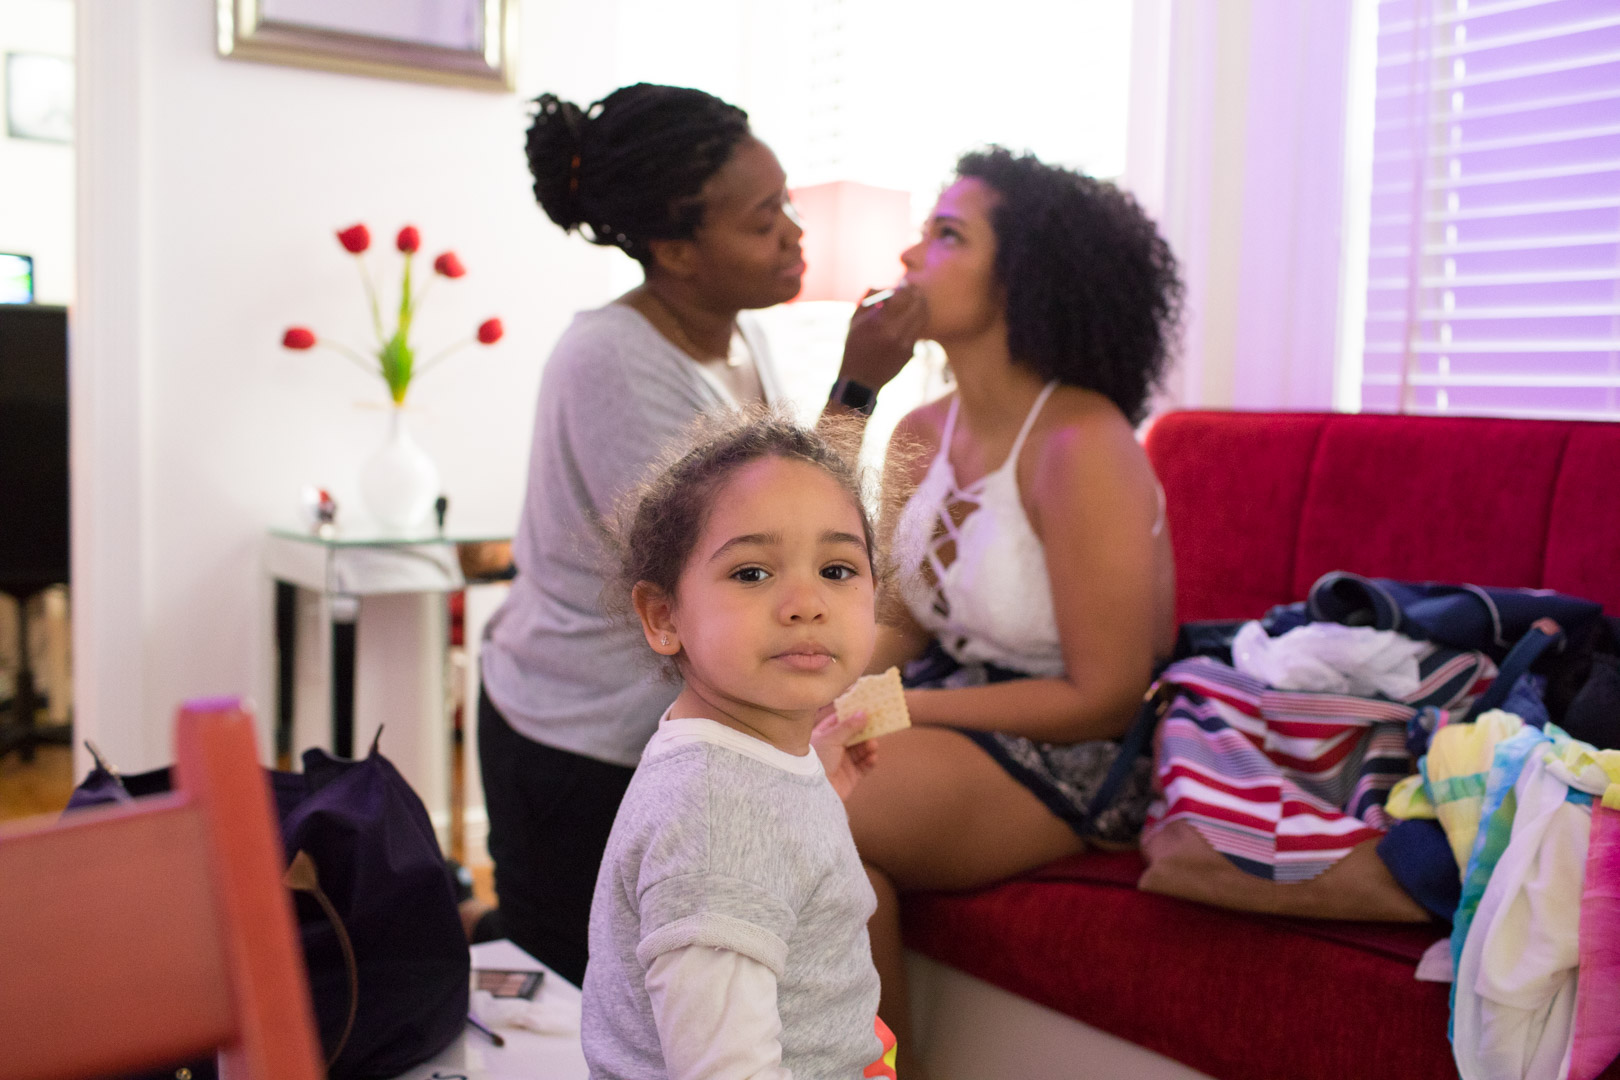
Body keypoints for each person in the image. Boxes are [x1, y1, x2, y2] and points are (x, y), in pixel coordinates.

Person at [476, 83, 924, 986]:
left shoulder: (735, 338)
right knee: (586, 995)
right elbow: (759, 536)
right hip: (577, 742)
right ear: (677, 251)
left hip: (664, 727)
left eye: (786, 202)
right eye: (763, 221)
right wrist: (858, 388)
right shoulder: (611, 359)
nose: (794, 233)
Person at [842, 147, 1185, 1077]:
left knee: (802, 802)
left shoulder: (1083, 442)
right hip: (951, 702)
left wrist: (896, 707)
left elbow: (1104, 697)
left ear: (1023, 276)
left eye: (948, 236)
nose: (912, 255)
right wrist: (820, 688)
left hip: (1083, 747)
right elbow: (898, 625)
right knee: (812, 840)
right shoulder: (920, 433)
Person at [583, 414, 895, 1079]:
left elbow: (765, 860)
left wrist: (811, 780)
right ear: (664, 617)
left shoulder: (742, 762)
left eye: (837, 569)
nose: (806, 602)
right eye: (752, 573)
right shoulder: (718, 822)